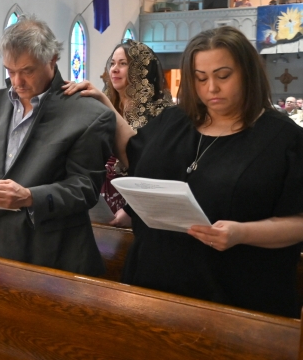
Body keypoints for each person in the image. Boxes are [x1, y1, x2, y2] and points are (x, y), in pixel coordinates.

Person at [70, 26, 303, 317]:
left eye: (223, 76)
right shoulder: (175, 121)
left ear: (248, 72)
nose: (211, 89)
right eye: (200, 78)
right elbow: (135, 154)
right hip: (153, 284)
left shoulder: (283, 139)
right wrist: (103, 105)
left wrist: (242, 233)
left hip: (233, 295)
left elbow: (298, 222)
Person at [0, 17, 115, 276]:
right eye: (10, 71)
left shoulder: (88, 114)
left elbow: (85, 189)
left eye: (27, 71)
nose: (17, 82)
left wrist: (30, 197)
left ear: (52, 60)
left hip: (46, 255)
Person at [97, 40, 173, 227]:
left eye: (123, 64)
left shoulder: (160, 113)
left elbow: (153, 166)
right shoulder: (103, 107)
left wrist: (131, 210)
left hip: (136, 202)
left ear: (142, 70)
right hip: (102, 197)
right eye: (113, 63)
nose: (114, 69)